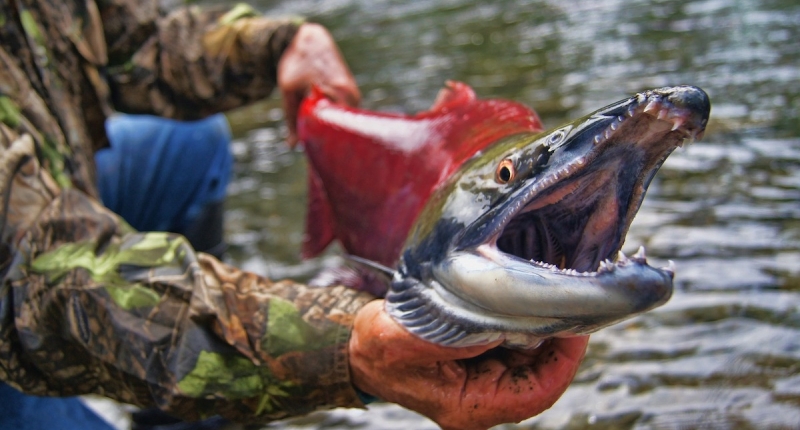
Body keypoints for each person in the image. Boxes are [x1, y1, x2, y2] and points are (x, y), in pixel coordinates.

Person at [0, 2, 589, 430]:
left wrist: (278, 44)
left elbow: (131, 38)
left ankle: (179, 415)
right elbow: (35, 274)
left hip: (44, 192)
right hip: (18, 281)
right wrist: (342, 348)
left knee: (191, 148)